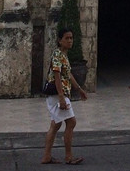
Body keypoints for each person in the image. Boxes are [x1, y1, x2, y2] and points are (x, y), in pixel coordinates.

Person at [42, 27, 89, 165]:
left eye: (71, 38)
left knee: (55, 125)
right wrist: (61, 97)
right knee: (71, 122)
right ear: (60, 40)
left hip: (58, 94)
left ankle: (46, 156)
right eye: (66, 38)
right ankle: (68, 157)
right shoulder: (57, 54)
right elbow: (57, 76)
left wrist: (79, 89)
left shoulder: (63, 55)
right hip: (58, 94)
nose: (70, 41)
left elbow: (68, 74)